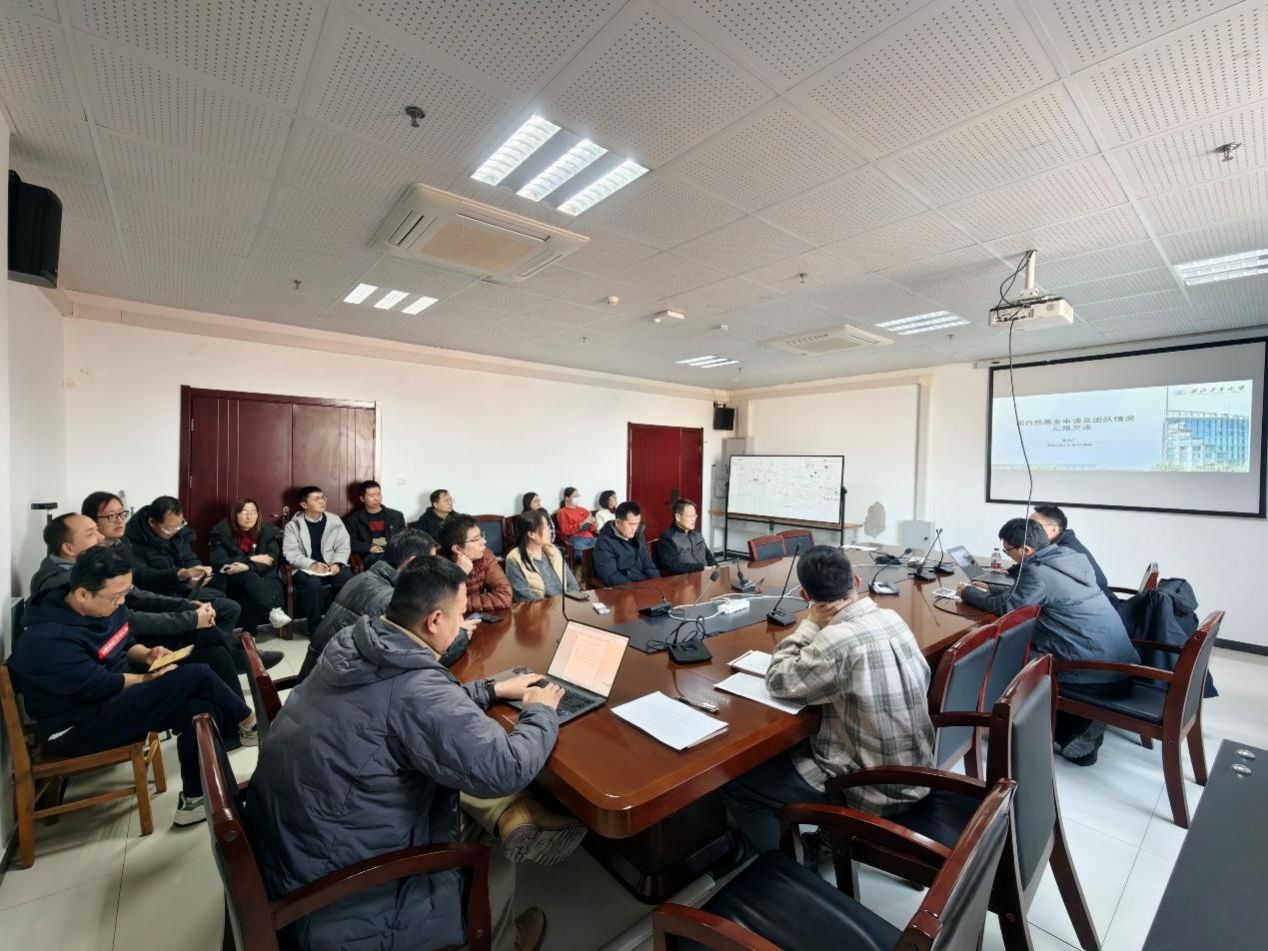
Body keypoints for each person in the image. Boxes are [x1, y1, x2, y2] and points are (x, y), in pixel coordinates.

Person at [245, 558, 568, 951]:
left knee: (456, 778)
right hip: (339, 896)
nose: (463, 623)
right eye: (460, 614)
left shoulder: (355, 642)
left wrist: (490, 690)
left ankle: (512, 814)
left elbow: (400, 707)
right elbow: (508, 767)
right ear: (434, 620)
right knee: (486, 830)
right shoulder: (416, 689)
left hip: (292, 850)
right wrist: (540, 710)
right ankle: (505, 942)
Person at [9, 546, 255, 828]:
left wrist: (147, 654)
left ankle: (196, 799)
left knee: (200, 707)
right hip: (76, 726)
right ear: (82, 594)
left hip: (112, 701)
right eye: (116, 596)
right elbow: (99, 684)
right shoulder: (47, 639)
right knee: (196, 675)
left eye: (125, 593)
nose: (122, 602)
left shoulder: (103, 605)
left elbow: (123, 641)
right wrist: (149, 680)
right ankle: (250, 722)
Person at [723, 545, 934, 855]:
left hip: (873, 789)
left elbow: (777, 680)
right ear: (857, 581)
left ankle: (786, 867)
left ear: (806, 596)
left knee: (739, 782)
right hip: (919, 773)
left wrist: (809, 625)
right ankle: (822, 839)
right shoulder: (892, 618)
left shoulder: (834, 641)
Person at [958, 517, 1139, 766]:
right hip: (1117, 660)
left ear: (1026, 550)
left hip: (1093, 670)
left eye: (1009, 551)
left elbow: (1008, 608)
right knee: (1023, 645)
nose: (1009, 557)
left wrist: (966, 592)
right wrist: (990, 589)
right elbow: (1028, 594)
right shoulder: (1067, 558)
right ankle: (1079, 724)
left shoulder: (1037, 572)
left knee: (1005, 655)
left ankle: (1059, 731)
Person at [32, 513, 258, 709]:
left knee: (214, 649)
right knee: (204, 649)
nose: (100, 537)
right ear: (68, 548)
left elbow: (134, 599)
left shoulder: (95, 566)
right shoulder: (64, 585)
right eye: (92, 533)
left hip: (127, 650)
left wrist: (186, 607)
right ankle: (242, 660)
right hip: (118, 668)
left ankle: (240, 682)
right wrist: (189, 618)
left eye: (121, 514)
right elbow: (128, 619)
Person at [83, 491, 277, 671]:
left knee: (227, 608)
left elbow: (188, 559)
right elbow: (140, 584)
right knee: (207, 630)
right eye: (111, 516)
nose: (119, 520)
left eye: (121, 514)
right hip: (156, 599)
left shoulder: (122, 545)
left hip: (173, 593)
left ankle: (235, 653)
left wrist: (196, 575)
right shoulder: (115, 551)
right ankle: (242, 655)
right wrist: (181, 580)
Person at [300, 528, 444, 681]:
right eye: (431, 564)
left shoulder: (362, 578)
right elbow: (429, 652)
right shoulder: (392, 601)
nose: (433, 572)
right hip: (334, 687)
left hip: (312, 680)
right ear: (411, 563)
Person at [111, 494, 243, 635]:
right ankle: (212, 642)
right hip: (160, 595)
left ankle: (216, 642)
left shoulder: (178, 533)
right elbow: (142, 577)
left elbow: (190, 558)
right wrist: (179, 576)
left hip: (184, 589)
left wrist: (197, 574)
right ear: (152, 522)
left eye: (179, 525)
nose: (174, 532)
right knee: (225, 609)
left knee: (229, 604)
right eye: (169, 529)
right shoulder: (132, 542)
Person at [208, 497, 290, 634]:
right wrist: (251, 558)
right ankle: (272, 611)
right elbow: (219, 562)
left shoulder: (267, 531)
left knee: (250, 585)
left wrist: (247, 566)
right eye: (244, 512)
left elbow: (271, 558)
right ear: (235, 514)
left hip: (260, 576)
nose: (249, 516)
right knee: (249, 578)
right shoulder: (221, 532)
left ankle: (249, 636)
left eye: (253, 512)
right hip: (230, 577)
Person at [282, 486, 352, 634]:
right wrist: (312, 565)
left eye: (323, 497)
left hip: (330, 565)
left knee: (348, 580)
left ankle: (343, 623)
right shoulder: (293, 526)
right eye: (316, 499)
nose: (322, 501)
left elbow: (343, 545)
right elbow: (291, 553)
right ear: (304, 505)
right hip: (305, 567)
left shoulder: (335, 520)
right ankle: (315, 628)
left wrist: (337, 563)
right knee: (312, 584)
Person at [1031, 504, 1118, 607]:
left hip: (1098, 607)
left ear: (1053, 530)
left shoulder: (1064, 551)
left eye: (1034, 526)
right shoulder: (1058, 542)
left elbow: (1037, 579)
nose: (1027, 529)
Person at [505, 510, 582, 602]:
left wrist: (566, 603)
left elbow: (572, 583)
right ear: (531, 534)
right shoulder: (514, 559)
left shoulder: (553, 550)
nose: (550, 531)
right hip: (539, 609)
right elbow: (524, 596)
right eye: (545, 527)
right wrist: (554, 606)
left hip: (564, 605)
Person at [439, 515, 513, 611]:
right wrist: (459, 574)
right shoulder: (437, 566)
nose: (484, 541)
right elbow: (440, 605)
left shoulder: (485, 555)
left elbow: (504, 595)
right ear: (457, 549)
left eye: (481, 535)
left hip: (477, 616)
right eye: (476, 539)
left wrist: (460, 604)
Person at [592, 501, 659, 586]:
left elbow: (648, 565)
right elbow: (611, 577)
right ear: (618, 522)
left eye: (637, 524)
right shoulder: (604, 543)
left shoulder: (638, 536)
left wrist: (658, 583)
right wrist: (638, 587)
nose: (634, 528)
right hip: (625, 589)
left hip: (644, 585)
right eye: (631, 524)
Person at [345, 480, 407, 570]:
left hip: (395, 554)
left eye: (379, 494)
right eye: (371, 495)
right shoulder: (353, 519)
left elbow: (405, 538)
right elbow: (350, 542)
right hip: (371, 556)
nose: (377, 498)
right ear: (362, 498)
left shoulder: (396, 516)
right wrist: (369, 548)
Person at [654, 499, 716, 575]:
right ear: (678, 517)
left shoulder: (697, 533)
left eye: (695, 515)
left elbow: (707, 553)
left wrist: (715, 566)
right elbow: (672, 566)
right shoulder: (668, 539)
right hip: (684, 579)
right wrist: (701, 568)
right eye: (690, 516)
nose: (693, 519)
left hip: (705, 575)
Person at [555, 487, 597, 553]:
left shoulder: (583, 510)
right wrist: (580, 524)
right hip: (576, 539)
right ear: (567, 498)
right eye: (575, 496)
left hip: (591, 537)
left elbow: (591, 529)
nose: (577, 497)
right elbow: (565, 531)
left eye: (578, 495)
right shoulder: (562, 512)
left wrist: (594, 523)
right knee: (587, 553)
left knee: (603, 546)